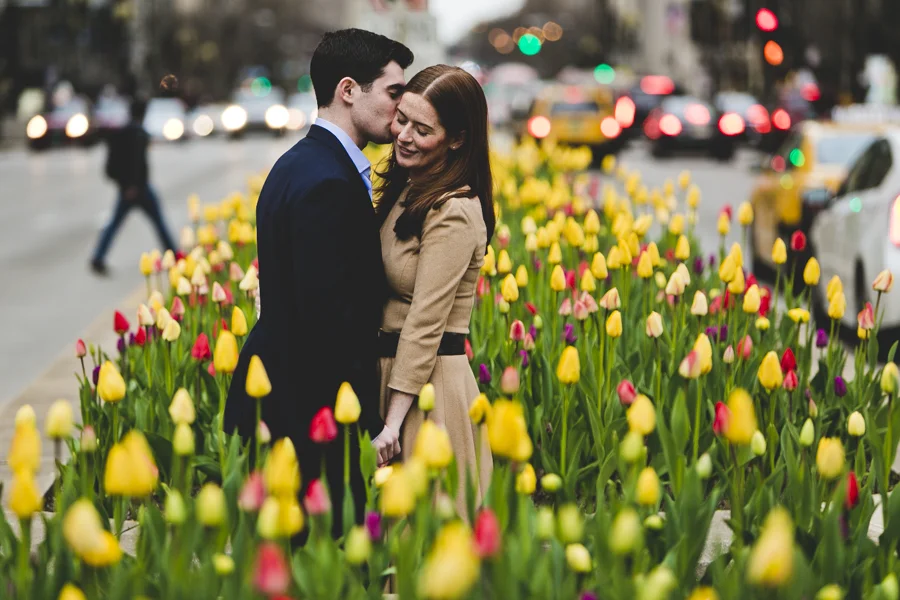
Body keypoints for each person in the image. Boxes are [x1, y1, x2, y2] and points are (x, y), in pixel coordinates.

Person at [223, 29, 413, 537]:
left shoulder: (300, 164)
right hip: (307, 410)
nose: (401, 109)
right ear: (349, 90)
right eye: (394, 93)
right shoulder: (328, 182)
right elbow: (328, 322)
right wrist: (369, 424)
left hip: (287, 394)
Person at [373, 64, 495, 512]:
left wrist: (393, 422)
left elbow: (426, 321)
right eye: (401, 118)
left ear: (457, 139)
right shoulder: (406, 188)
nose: (403, 135)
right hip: (394, 379)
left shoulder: (455, 211)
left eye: (421, 128)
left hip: (429, 393)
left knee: (425, 546)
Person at [90, 97, 176, 275]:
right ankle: (174, 256)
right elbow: (137, 163)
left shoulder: (122, 132)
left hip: (127, 188)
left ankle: (98, 258)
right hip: (139, 189)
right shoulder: (138, 134)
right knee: (159, 222)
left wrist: (125, 185)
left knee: (114, 223)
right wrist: (133, 185)